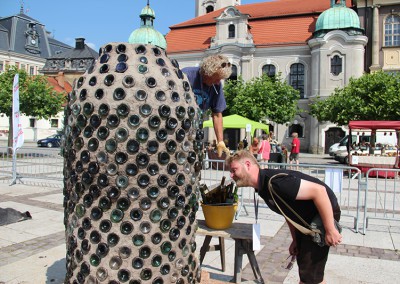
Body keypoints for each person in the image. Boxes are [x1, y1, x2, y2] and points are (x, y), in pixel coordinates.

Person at [226, 151, 342, 284]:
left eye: (234, 170)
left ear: (247, 164)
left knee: (310, 277)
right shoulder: (263, 187)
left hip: (320, 216)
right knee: (308, 272)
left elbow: (319, 191)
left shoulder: (275, 182)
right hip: (305, 220)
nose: (231, 175)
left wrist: (330, 229)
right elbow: (287, 211)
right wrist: (295, 240)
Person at [182, 54, 232, 157]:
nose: (218, 82)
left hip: (195, 127)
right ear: (208, 73)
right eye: (217, 78)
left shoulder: (216, 86)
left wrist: (220, 141)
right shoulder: (186, 75)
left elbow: (217, 114)